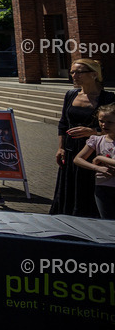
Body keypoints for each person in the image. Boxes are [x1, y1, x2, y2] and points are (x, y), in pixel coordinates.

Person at [52, 59, 113, 217]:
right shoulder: (71, 94)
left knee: (88, 190)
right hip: (71, 150)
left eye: (79, 72)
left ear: (94, 75)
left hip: (93, 152)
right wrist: (61, 148)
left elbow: (112, 126)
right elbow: (63, 123)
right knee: (69, 188)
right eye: (72, 72)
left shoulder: (107, 98)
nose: (74, 76)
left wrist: (93, 131)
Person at [73, 103, 115, 219]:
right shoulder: (97, 140)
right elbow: (78, 159)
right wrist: (97, 167)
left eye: (109, 122)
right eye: (101, 121)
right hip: (102, 186)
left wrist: (99, 158)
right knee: (107, 220)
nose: (104, 125)